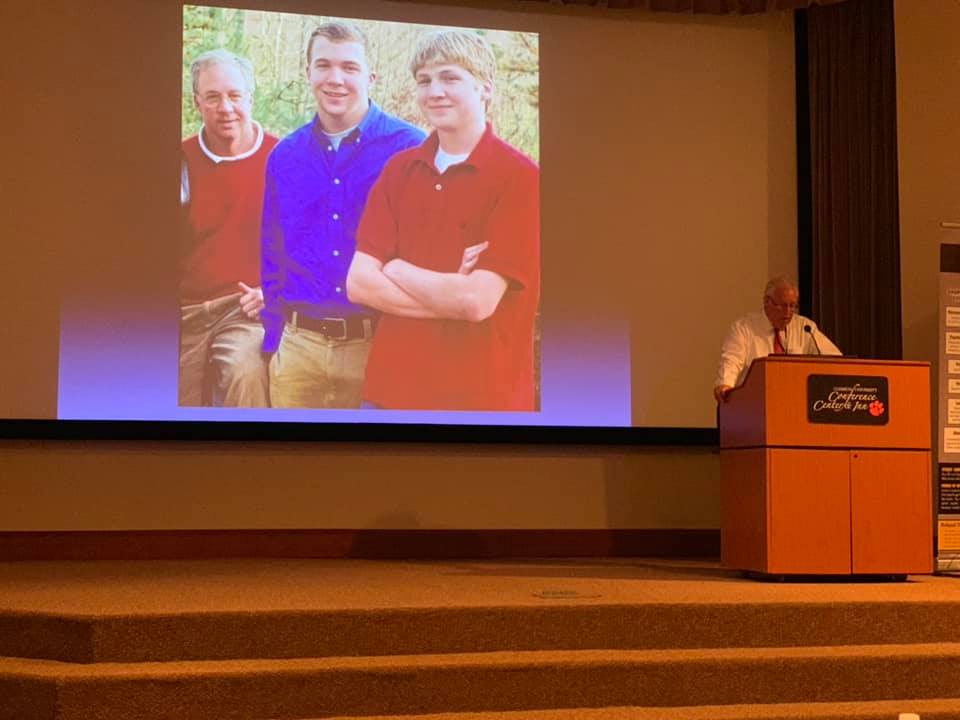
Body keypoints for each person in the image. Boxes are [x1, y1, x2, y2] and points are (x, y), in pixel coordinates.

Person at [347, 29, 540, 411]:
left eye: (450, 77)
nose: (434, 91)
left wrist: (397, 267)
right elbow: (359, 284)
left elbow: (475, 302)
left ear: (485, 88)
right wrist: (449, 291)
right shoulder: (399, 170)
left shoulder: (521, 179)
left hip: (481, 401)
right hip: (390, 394)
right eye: (424, 81)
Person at [260, 22, 426, 408]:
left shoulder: (409, 150)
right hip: (298, 351)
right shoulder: (285, 156)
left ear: (371, 77)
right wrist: (274, 340)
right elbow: (272, 252)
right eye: (324, 65)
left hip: (380, 347)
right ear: (308, 74)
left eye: (349, 68)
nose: (336, 79)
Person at [180, 49, 278, 407]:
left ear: (250, 98)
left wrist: (274, 290)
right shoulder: (179, 159)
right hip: (183, 311)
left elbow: (306, 244)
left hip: (245, 309)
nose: (225, 107)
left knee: (247, 373)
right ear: (196, 102)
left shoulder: (282, 159)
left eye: (235, 96)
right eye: (212, 97)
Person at [713, 276, 841, 403]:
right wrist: (725, 384)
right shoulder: (744, 328)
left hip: (794, 403)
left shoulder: (804, 327)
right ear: (767, 302)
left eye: (793, 306)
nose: (788, 312)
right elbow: (731, 360)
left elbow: (834, 359)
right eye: (783, 305)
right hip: (754, 404)